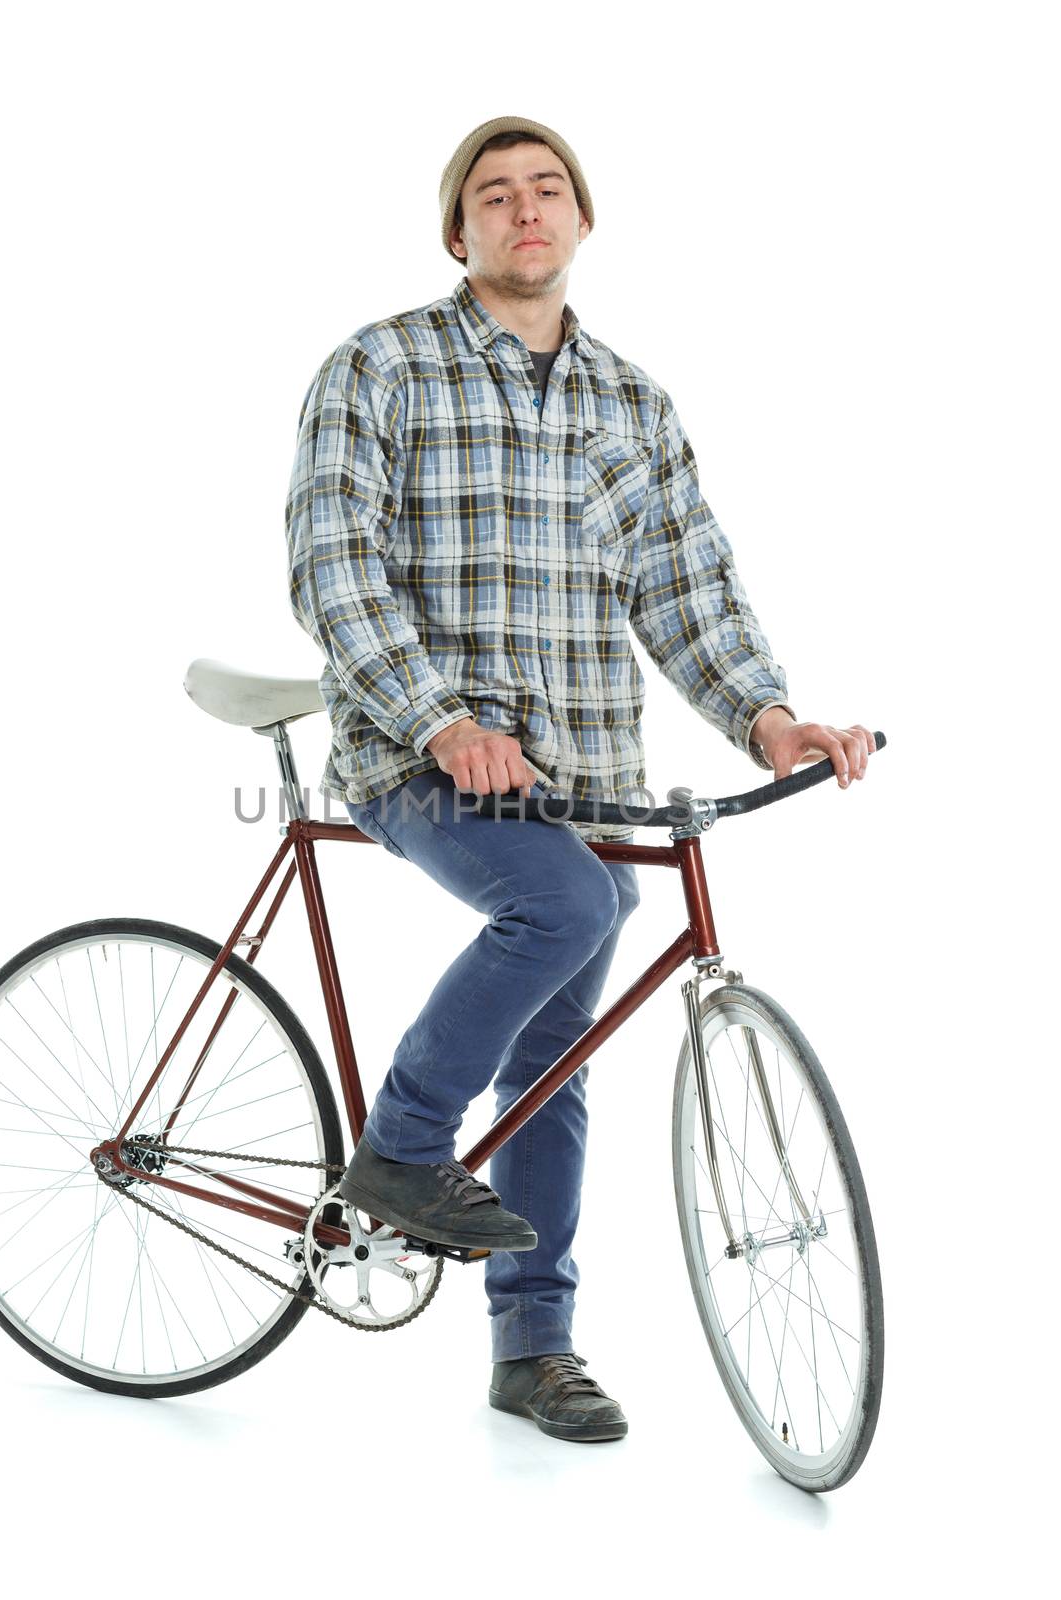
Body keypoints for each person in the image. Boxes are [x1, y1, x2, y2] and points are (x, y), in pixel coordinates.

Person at [284, 114, 876, 1443]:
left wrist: (768, 718)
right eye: (494, 196)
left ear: (582, 220)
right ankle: (401, 1147)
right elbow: (332, 564)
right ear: (462, 232)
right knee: (572, 910)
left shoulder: (633, 403)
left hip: (584, 772)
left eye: (547, 189)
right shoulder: (379, 367)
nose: (524, 209)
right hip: (418, 756)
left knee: (556, 1063)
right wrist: (440, 723)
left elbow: (687, 586)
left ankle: (530, 1349)